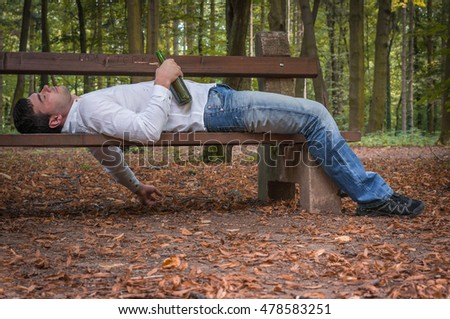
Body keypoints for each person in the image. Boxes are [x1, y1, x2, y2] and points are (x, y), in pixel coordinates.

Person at [13, 58, 424, 217]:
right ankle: (373, 197)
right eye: (42, 97)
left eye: (42, 89)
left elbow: (111, 158)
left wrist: (138, 188)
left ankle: (367, 192)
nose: (46, 89)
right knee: (315, 115)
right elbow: (146, 131)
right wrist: (161, 81)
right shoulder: (90, 111)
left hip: (214, 103)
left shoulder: (85, 120)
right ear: (53, 121)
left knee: (308, 122)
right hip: (215, 108)